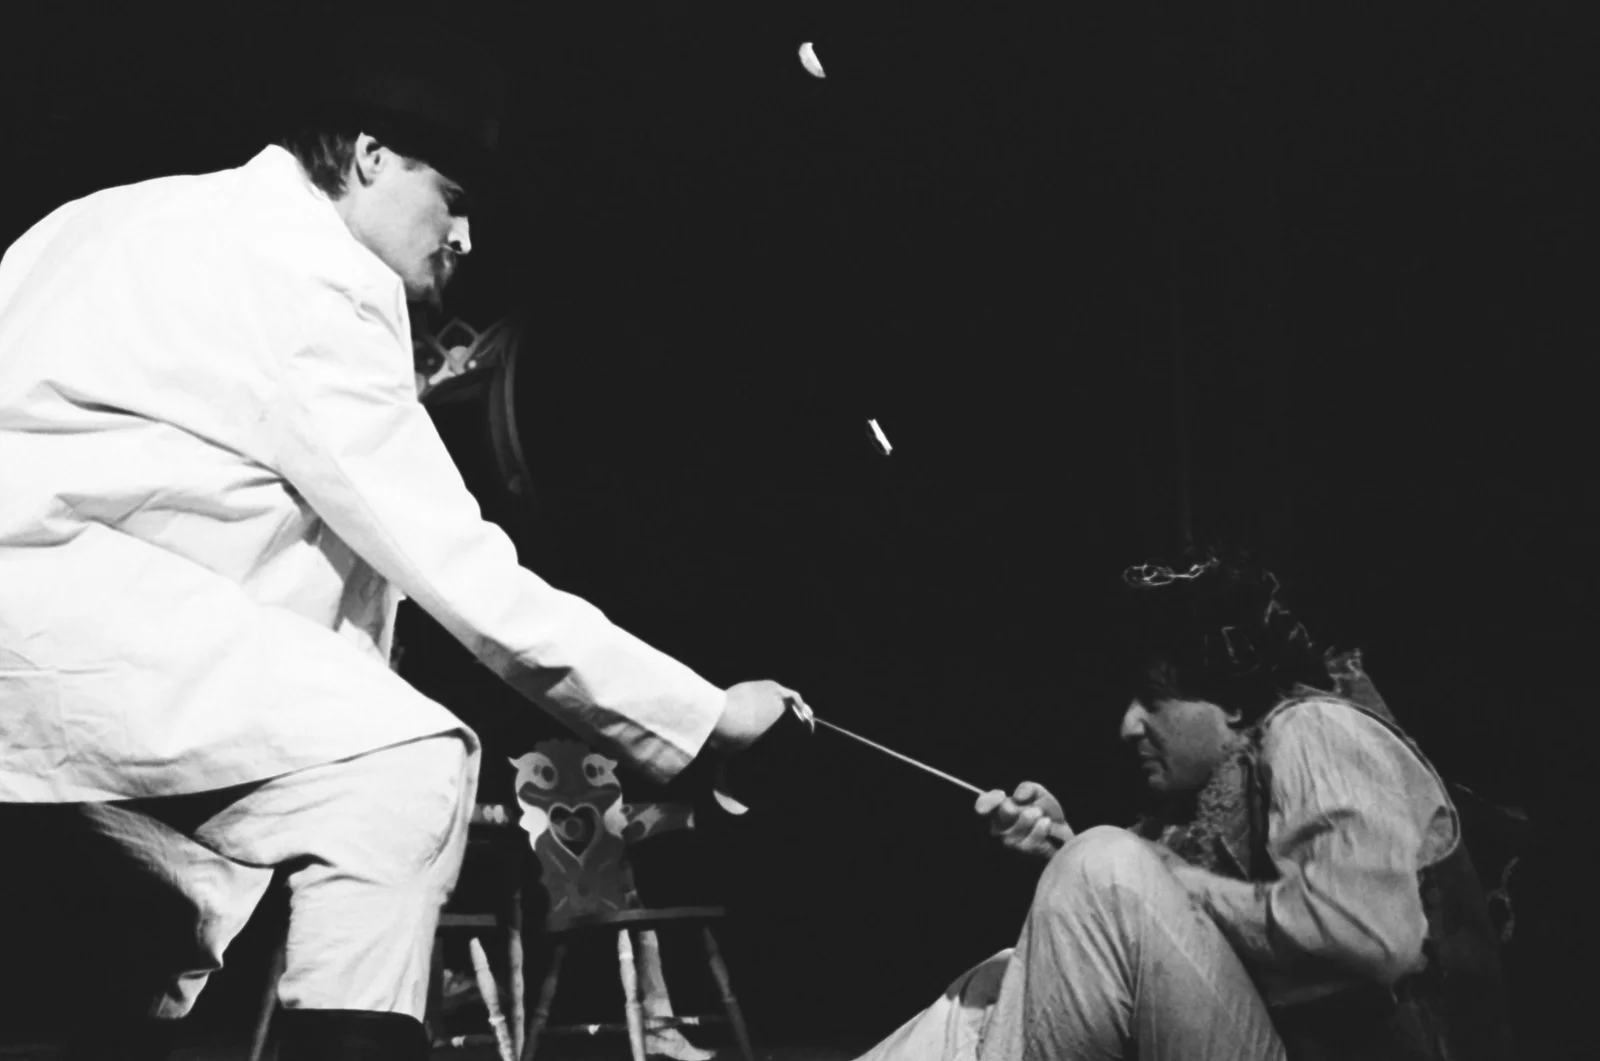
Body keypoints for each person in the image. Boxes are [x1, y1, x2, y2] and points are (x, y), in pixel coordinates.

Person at [0, 17, 806, 1061]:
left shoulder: (104, 218)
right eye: (452, 199)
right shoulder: (317, 275)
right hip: (72, 646)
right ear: (371, 157)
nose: (464, 238)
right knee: (399, 765)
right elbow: (456, 567)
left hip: (75, 677)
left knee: (123, 971)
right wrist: (704, 719)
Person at [852, 548, 1511, 1061]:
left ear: (1232, 700)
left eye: (1153, 699)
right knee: (1003, 973)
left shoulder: (1316, 729)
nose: (1129, 725)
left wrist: (1141, 877)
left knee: (1102, 866)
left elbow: (1366, 941)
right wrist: (1065, 852)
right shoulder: (1241, 774)